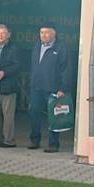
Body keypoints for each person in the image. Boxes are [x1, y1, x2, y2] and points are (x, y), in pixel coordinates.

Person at [28, 24, 70, 153]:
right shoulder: (36, 46)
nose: (43, 35)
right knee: (33, 111)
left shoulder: (61, 48)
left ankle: (53, 144)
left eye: (46, 32)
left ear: (54, 34)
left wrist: (62, 88)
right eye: (41, 32)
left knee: (53, 117)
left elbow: (66, 70)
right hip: (37, 87)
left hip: (53, 89)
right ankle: (35, 140)